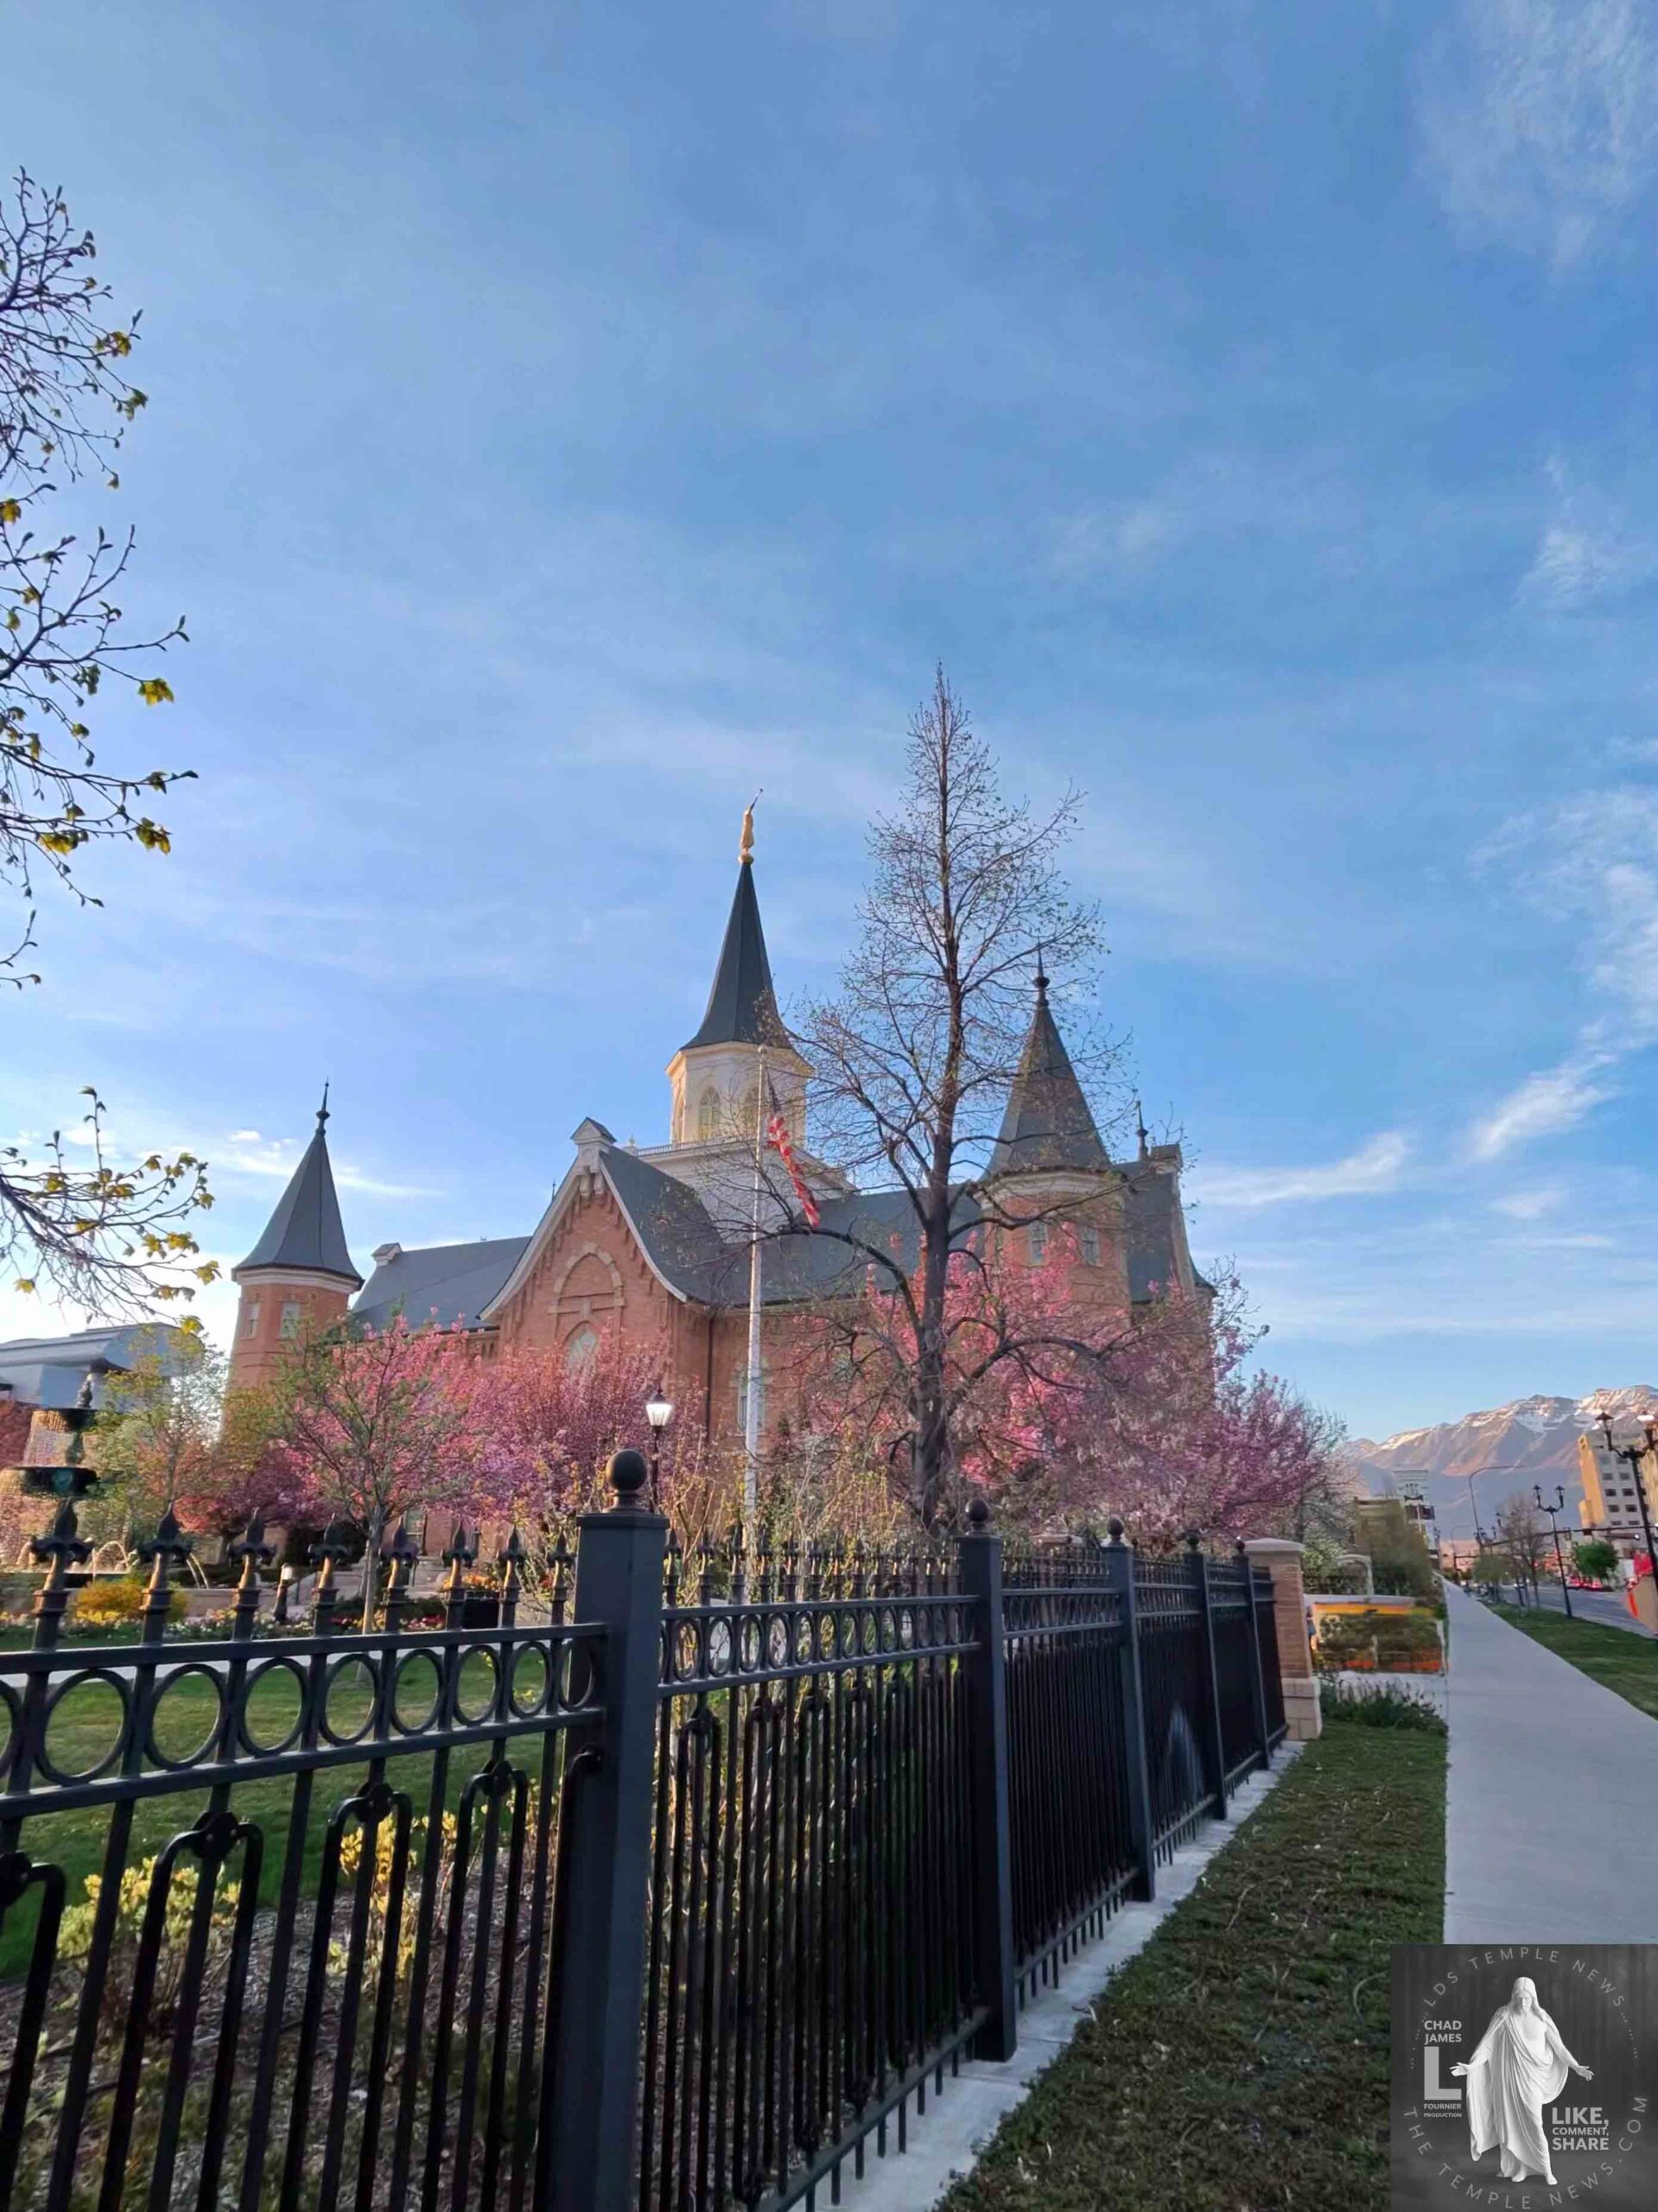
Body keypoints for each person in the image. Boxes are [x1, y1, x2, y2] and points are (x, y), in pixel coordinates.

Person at [1451, 1976, 1593, 2187]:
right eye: (1519, 1998)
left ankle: (1546, 2170)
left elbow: (1559, 2048)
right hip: (1508, 2081)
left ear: (1534, 1998)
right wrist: (1470, 2067)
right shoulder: (1503, 2017)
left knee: (1535, 2123)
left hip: (1532, 2080)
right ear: (1513, 1997)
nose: (1523, 2003)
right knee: (1510, 2123)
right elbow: (1487, 2047)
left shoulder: (1543, 2019)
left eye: (1527, 1998)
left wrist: (1576, 2066)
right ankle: (1519, 2168)